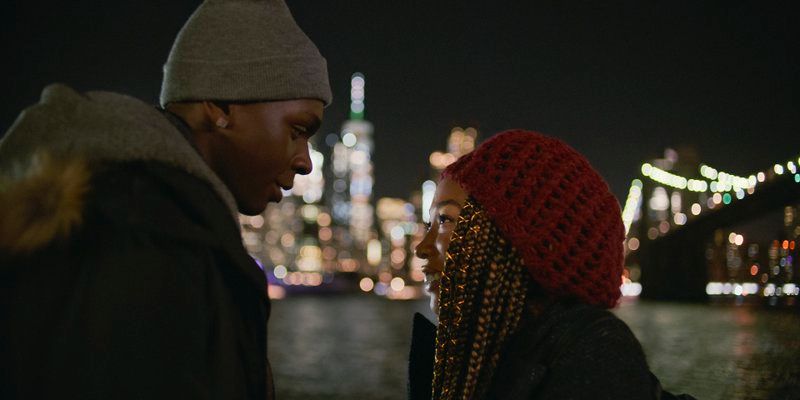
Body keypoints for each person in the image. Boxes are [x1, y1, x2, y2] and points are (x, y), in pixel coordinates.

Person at [0, 0, 330, 399]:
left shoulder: (140, 219)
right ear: (221, 107)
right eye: (297, 129)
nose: (306, 162)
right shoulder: (149, 240)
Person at [408, 130, 695, 399]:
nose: (421, 248)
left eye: (445, 220)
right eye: (429, 223)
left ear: (516, 240)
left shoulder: (595, 352)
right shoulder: (470, 355)